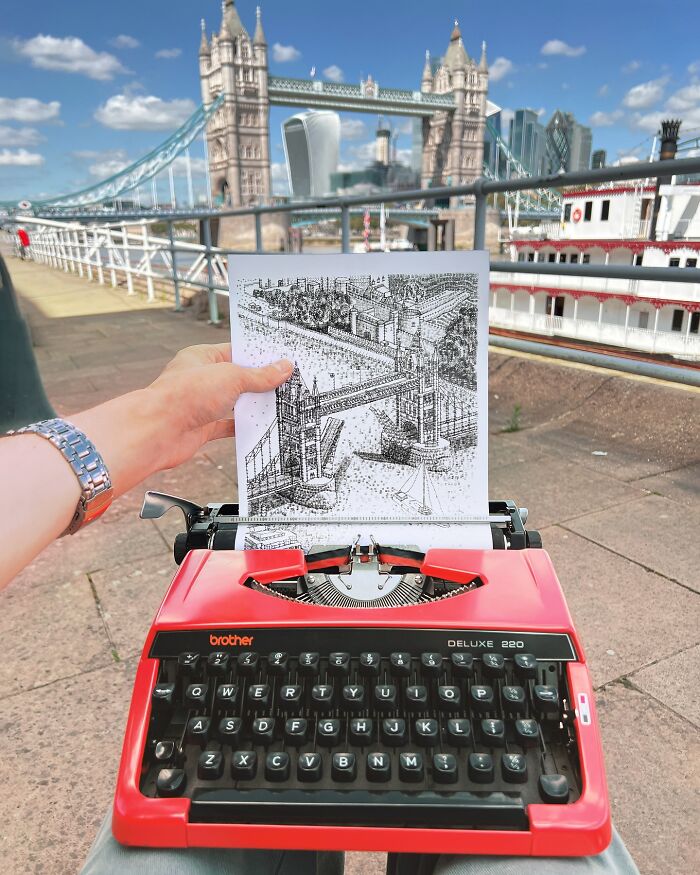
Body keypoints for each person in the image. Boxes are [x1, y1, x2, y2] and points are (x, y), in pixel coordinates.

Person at [1, 344, 639, 875]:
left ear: (514, 540)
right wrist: (161, 417)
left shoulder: (508, 555)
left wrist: (149, 420)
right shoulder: (225, 548)